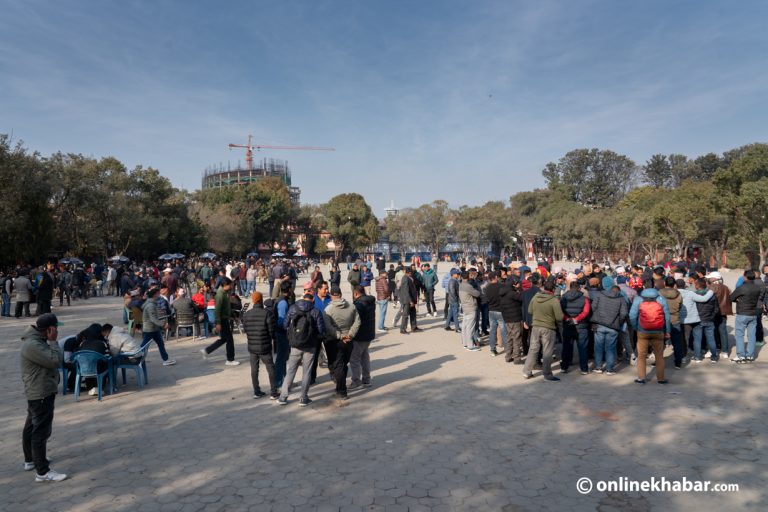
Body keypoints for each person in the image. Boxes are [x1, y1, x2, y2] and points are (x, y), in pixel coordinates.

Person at [20, 313, 67, 482]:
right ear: (49, 329)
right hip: (40, 393)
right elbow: (55, 361)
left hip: (38, 391)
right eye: (55, 328)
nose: (56, 331)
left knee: (32, 426)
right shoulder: (34, 345)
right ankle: (43, 472)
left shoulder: (35, 341)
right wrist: (53, 341)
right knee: (40, 431)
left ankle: (31, 460)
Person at [277, 290, 326, 406]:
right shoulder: (316, 311)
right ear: (313, 300)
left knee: (291, 371)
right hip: (310, 345)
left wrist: (292, 335)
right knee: (307, 372)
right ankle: (303, 398)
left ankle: (283, 397)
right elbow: (321, 330)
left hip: (295, 345)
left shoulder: (293, 308)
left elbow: (285, 324)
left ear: (303, 298)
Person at [323, 286, 361, 400]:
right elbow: (357, 321)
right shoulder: (351, 306)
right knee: (343, 364)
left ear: (331, 295)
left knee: (338, 365)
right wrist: (350, 334)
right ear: (340, 294)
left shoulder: (328, 309)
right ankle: (341, 387)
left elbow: (328, 327)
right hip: (349, 340)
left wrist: (340, 336)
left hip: (335, 340)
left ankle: (341, 391)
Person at [629, 280, 670, 384]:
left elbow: (632, 315)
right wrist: (667, 331)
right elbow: (667, 318)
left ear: (643, 286)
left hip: (642, 331)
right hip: (658, 331)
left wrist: (636, 327)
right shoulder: (661, 299)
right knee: (659, 356)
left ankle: (641, 378)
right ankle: (660, 379)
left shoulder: (638, 299)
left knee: (641, 355)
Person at [523, 280, 563, 381]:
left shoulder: (535, 297)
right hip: (548, 327)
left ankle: (526, 371)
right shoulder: (554, 300)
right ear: (553, 289)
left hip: (536, 326)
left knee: (533, 349)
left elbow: (530, 310)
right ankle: (547, 374)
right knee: (547, 351)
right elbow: (559, 317)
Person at [589, 277, 628, 375]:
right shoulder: (620, 297)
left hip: (599, 324)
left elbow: (593, 307)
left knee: (598, 346)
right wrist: (618, 321)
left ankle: (598, 367)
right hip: (613, 326)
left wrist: (598, 316)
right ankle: (609, 369)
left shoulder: (599, 295)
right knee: (610, 348)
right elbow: (624, 313)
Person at [243, 292, 278, 399]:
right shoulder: (267, 313)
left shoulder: (247, 314)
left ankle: (256, 391)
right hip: (265, 346)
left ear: (253, 300)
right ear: (261, 300)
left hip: (252, 347)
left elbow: (246, 329)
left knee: (254, 369)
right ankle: (273, 392)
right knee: (270, 368)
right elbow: (272, 331)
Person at [200, 277, 239, 366]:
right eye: (230, 285)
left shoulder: (224, 293)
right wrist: (218, 323)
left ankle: (207, 350)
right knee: (229, 340)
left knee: (224, 339)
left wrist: (233, 316)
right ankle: (230, 359)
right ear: (225, 285)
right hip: (222, 320)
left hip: (224, 318)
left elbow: (227, 307)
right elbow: (217, 310)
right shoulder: (220, 295)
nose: (231, 286)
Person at [729, 269, 764, 363]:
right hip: (753, 313)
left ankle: (740, 356)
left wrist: (738, 300)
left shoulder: (742, 287)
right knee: (752, 336)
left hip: (742, 313)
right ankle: (750, 356)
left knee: (740, 335)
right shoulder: (757, 287)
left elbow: (731, 297)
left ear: (745, 277)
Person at [560, 281, 591, 374]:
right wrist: (576, 319)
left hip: (567, 325)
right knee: (582, 348)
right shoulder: (584, 299)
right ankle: (584, 369)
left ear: (570, 288)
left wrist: (567, 319)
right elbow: (586, 312)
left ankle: (564, 367)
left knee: (566, 347)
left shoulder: (563, 298)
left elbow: (560, 311)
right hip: (581, 326)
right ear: (579, 288)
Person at [141, 288, 176, 366]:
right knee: (144, 346)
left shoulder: (151, 303)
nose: (160, 296)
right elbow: (153, 318)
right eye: (158, 294)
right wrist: (163, 324)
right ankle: (137, 358)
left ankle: (166, 359)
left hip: (154, 328)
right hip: (150, 329)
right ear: (155, 295)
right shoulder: (150, 305)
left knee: (160, 344)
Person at [350, 285, 375, 389]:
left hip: (360, 335)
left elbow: (356, 321)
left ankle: (356, 381)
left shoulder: (358, 304)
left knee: (354, 359)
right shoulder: (370, 301)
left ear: (356, 293)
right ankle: (366, 379)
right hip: (368, 334)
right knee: (364, 357)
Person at [499, 276, 524, 363]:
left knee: (509, 337)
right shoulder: (512, 293)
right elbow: (522, 298)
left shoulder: (503, 292)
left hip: (507, 318)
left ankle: (508, 356)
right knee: (517, 338)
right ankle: (517, 358)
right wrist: (520, 289)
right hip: (515, 318)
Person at [484, 271, 507, 357]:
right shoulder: (501, 286)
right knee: (504, 330)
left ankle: (493, 349)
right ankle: (507, 348)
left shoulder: (487, 288)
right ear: (496, 277)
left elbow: (487, 299)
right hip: (500, 311)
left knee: (492, 331)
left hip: (491, 311)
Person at [459, 271, 481, 351]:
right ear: (468, 277)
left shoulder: (460, 285)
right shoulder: (468, 286)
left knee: (464, 326)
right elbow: (477, 294)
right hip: (471, 308)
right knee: (470, 327)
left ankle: (465, 343)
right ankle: (470, 345)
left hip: (465, 308)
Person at [398, 267, 419, 334]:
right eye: (410, 273)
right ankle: (403, 329)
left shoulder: (408, 278)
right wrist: (410, 301)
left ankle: (414, 327)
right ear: (408, 272)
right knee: (405, 315)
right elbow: (406, 291)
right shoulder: (405, 279)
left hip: (411, 299)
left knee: (413, 313)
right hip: (407, 300)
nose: (411, 274)